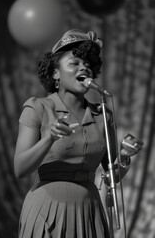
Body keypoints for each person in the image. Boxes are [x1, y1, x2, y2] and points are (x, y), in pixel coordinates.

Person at [14, 29, 142, 238]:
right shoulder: (38, 107)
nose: (84, 67)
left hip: (89, 211)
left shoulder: (102, 114)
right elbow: (20, 168)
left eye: (88, 64)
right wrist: (49, 138)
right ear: (55, 73)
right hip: (48, 209)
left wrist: (125, 157)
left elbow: (111, 177)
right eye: (74, 63)